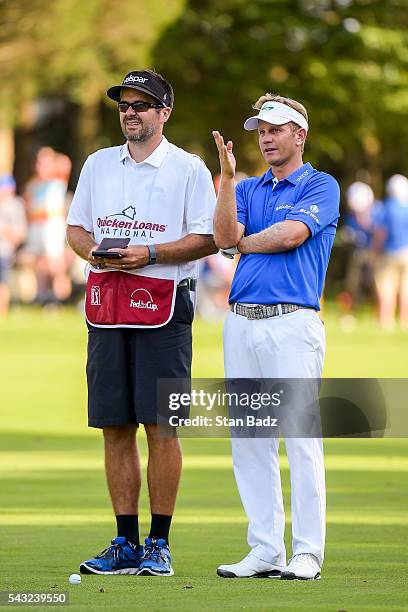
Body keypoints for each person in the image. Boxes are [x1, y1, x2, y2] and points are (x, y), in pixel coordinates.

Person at [66, 69, 217, 576]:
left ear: (164, 112)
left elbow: (207, 238)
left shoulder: (190, 169)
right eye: (125, 104)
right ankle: (125, 542)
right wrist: (95, 251)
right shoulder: (98, 164)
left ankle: (159, 543)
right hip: (107, 306)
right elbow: (75, 227)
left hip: (165, 310)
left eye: (142, 104)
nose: (130, 112)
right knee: (113, 426)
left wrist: (148, 251)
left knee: (161, 428)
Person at [212, 94, 340, 580]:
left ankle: (307, 551)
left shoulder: (321, 184)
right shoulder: (245, 188)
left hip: (292, 323)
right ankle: (265, 548)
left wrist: (244, 243)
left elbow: (290, 236)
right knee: (249, 439)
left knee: (300, 439)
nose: (265, 138)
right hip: (241, 322)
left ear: (299, 135)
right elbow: (223, 235)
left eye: (275, 130)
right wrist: (226, 180)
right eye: (260, 132)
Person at [373, 174, 408, 329]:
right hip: (406, 252)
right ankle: (404, 321)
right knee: (405, 288)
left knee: (386, 287)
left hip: (390, 253)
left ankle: (386, 321)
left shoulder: (386, 207)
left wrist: (375, 249)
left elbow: (381, 232)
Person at [0, 174, 27, 317]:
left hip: (6, 250)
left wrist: (4, 231)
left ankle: (2, 311)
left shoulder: (16, 205)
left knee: (3, 278)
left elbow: (20, 234)